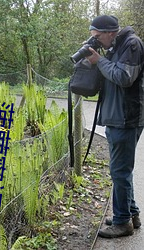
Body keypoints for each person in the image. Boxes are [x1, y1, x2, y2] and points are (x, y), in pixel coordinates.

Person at [86, 15, 144, 238]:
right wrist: (96, 60)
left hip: (126, 118)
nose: (97, 41)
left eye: (98, 37)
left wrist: (99, 61)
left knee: (119, 171)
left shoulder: (132, 44)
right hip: (116, 117)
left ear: (110, 32)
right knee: (121, 171)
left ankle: (122, 223)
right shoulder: (115, 46)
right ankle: (131, 214)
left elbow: (123, 77)